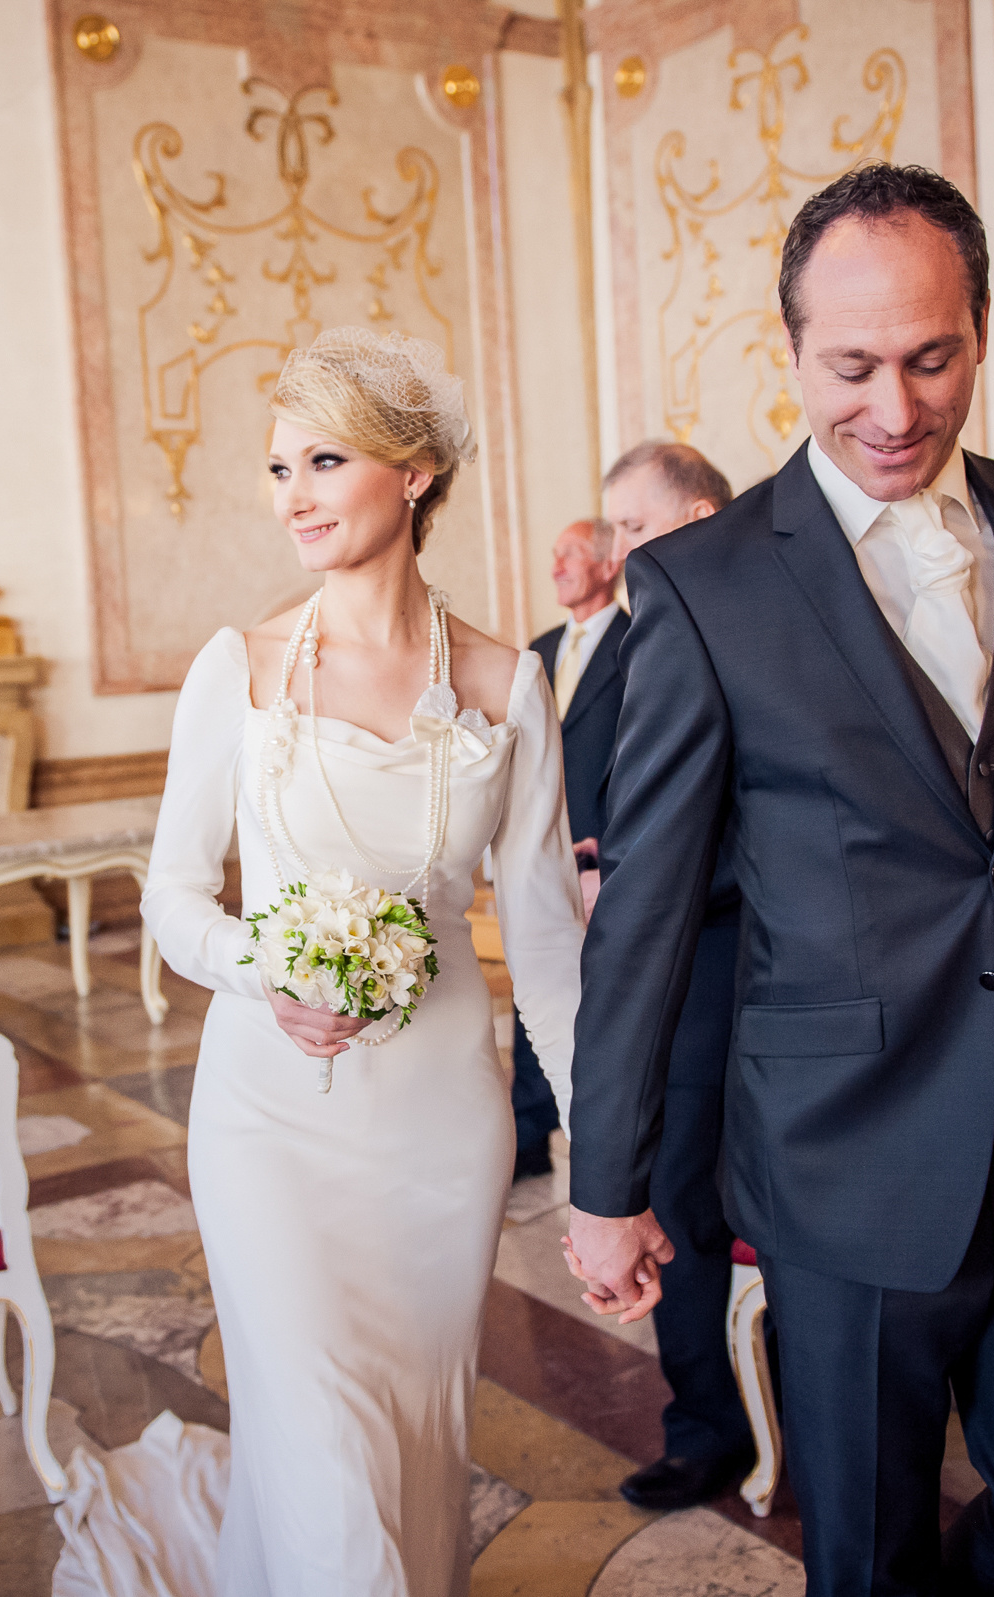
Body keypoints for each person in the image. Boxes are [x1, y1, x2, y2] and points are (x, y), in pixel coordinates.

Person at [562, 163, 994, 1596]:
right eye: (854, 366)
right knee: (867, 1558)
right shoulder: (705, 585)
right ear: (792, 352)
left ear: (985, 331)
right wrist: (608, 1181)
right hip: (846, 1156)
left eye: (932, 359)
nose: (895, 410)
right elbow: (644, 910)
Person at [127, 327, 586, 1593]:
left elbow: (547, 948)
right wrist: (257, 966)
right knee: (325, 1451)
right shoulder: (243, 670)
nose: (295, 498)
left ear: (419, 471)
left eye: (325, 460)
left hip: (441, 1133)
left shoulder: (507, 684)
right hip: (269, 1123)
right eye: (279, 469)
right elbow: (170, 897)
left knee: (412, 1446)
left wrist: (601, 1152)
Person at [585, 438, 756, 1513]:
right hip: (681, 983)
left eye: (633, 527)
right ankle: (705, 1428)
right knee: (682, 1210)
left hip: (746, 955)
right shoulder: (621, 638)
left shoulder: (767, 630)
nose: (615, 553)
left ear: (699, 520)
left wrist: (657, 883)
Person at [510, 517, 623, 1180]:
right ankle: (528, 1134)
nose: (555, 566)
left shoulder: (639, 642)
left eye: (571, 554)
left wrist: (612, 851)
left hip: (605, 858)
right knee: (535, 980)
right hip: (543, 847)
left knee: (600, 999)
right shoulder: (538, 649)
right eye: (552, 555)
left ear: (609, 564)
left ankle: (602, 1137)